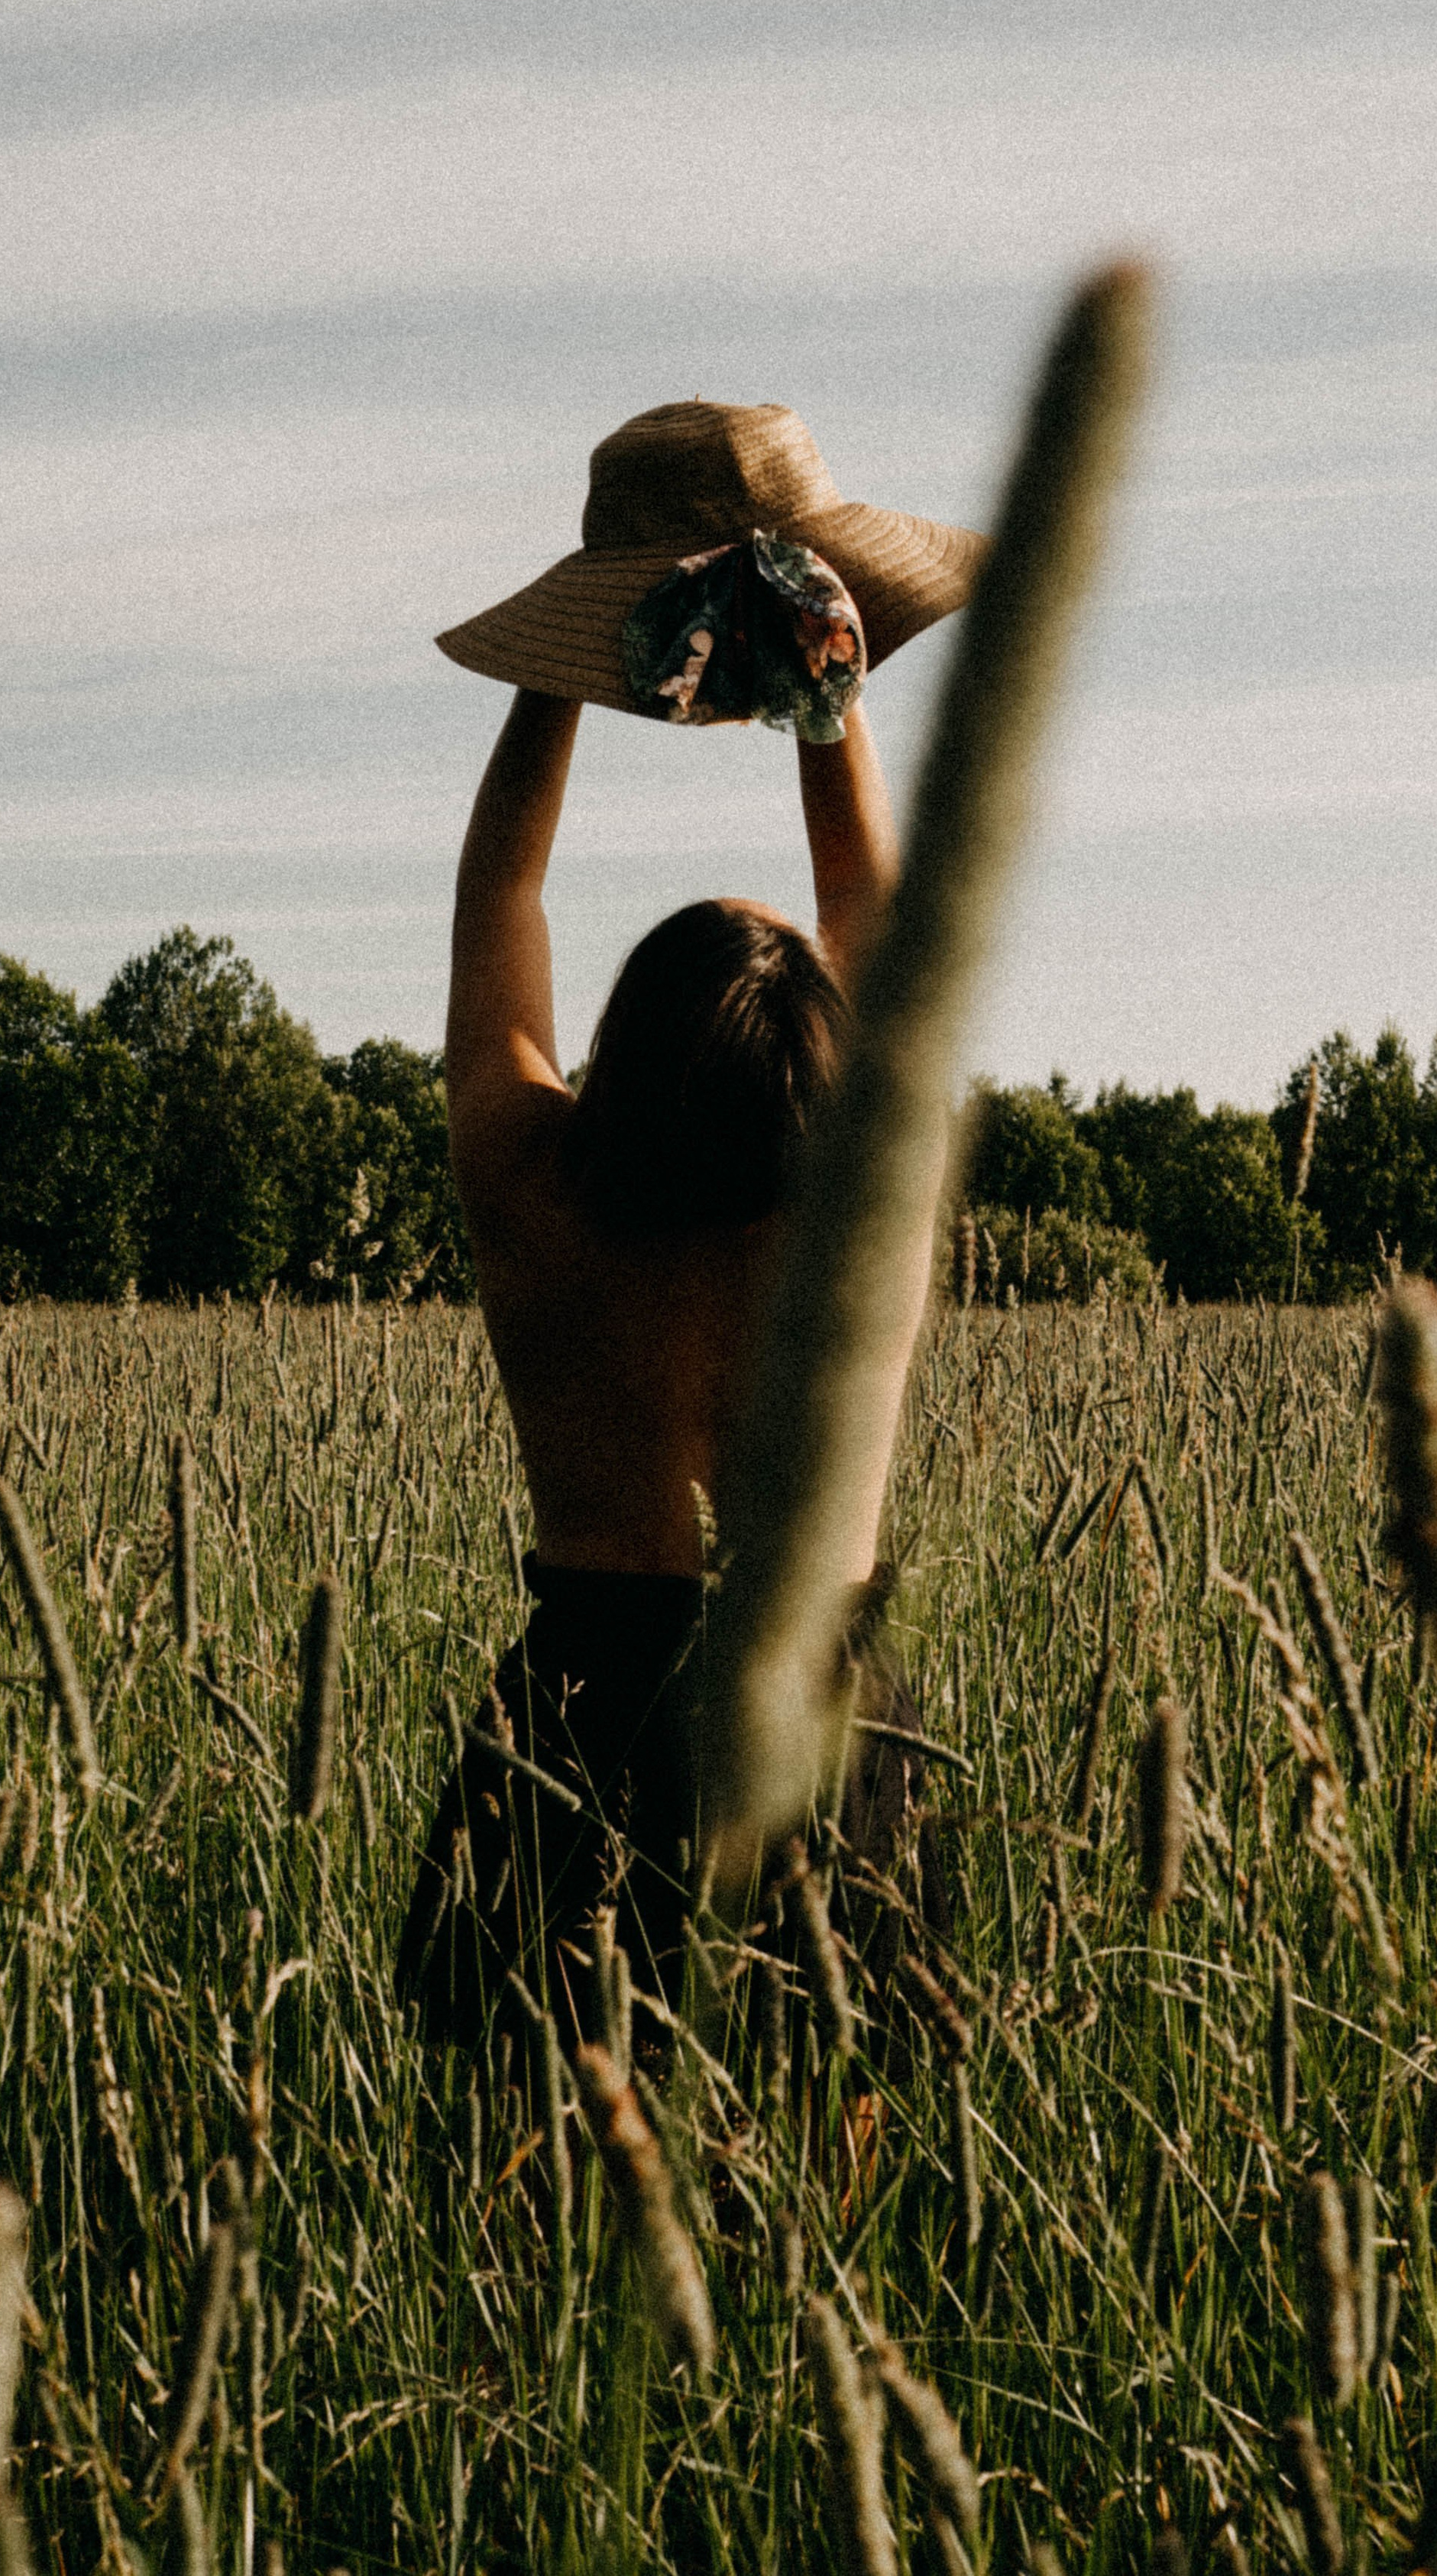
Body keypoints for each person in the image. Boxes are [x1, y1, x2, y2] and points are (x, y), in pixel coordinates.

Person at [396, 399, 984, 2068]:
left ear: (623, 1052)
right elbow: (877, 912)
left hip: (575, 1731)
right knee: (829, 2218)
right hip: (828, 1721)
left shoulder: (533, 1190)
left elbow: (497, 902)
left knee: (532, 2229)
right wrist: (821, 693)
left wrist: (560, 667)